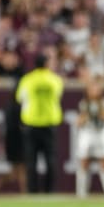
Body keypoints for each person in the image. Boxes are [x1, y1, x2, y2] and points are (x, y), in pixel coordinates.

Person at [16, 53, 64, 193]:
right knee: (51, 159)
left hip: (31, 123)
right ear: (46, 64)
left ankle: (32, 190)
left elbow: (20, 98)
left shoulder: (27, 80)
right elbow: (58, 95)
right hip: (50, 123)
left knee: (31, 160)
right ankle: (50, 190)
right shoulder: (55, 79)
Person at [75, 79, 104, 199]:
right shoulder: (84, 104)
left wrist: (101, 111)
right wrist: (86, 114)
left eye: (96, 88)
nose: (94, 91)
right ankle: (81, 194)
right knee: (84, 162)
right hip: (87, 134)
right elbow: (78, 122)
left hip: (102, 134)